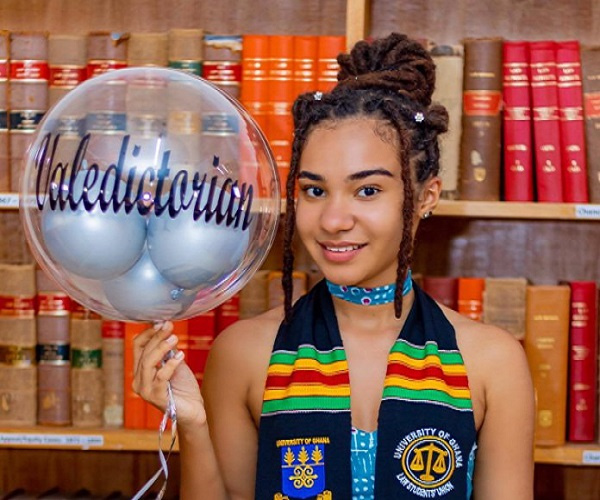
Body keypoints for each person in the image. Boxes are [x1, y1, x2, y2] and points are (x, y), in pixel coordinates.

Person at [133, 32, 534, 500]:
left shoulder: (491, 362)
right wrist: (193, 424)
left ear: (426, 196)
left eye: (367, 190)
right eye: (315, 190)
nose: (333, 220)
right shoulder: (243, 354)